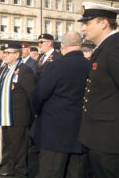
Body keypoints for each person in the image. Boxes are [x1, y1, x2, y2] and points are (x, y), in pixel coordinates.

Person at [31, 31, 91, 178]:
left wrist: (36, 112)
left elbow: (39, 94)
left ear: (62, 46)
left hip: (54, 132)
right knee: (75, 173)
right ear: (80, 45)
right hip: (81, 130)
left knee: (50, 172)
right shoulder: (90, 65)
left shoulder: (57, 65)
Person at [78, 2, 119, 177]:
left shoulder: (114, 47)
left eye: (87, 23)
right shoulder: (104, 47)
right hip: (98, 137)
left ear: (103, 23)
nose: (83, 28)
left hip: (109, 140)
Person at [0, 42, 36, 177]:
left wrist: (33, 115)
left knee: (19, 148)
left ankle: (21, 172)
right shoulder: (6, 69)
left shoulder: (24, 70)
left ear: (17, 54)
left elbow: (32, 94)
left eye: (8, 53)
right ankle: (11, 168)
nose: (4, 55)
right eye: (4, 52)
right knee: (10, 145)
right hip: (6, 114)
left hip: (18, 116)